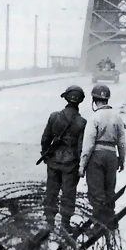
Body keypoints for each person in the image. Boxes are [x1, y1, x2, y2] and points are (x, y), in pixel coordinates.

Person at [40, 85, 88, 233]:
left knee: (51, 191)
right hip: (71, 162)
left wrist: (46, 154)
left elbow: (45, 138)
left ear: (66, 97)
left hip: (53, 160)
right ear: (80, 101)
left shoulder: (54, 116)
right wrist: (81, 164)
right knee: (68, 193)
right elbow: (81, 146)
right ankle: (65, 225)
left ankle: (49, 223)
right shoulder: (82, 122)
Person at [79, 84, 126, 232]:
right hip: (112, 155)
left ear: (94, 99)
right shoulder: (117, 116)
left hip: (96, 156)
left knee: (96, 192)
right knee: (109, 189)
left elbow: (88, 144)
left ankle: (99, 225)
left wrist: (82, 165)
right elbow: (122, 142)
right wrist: (122, 159)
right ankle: (111, 221)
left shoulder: (94, 117)